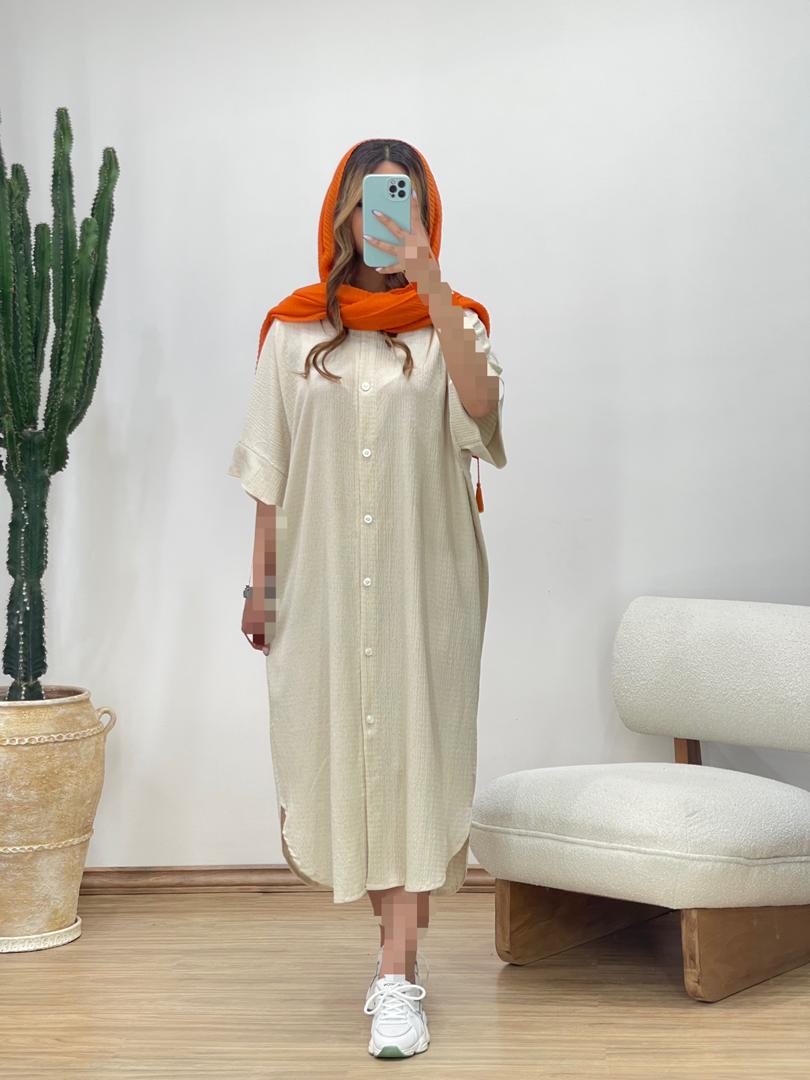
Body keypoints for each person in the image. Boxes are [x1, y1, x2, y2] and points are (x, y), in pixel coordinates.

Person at [227, 138, 506, 1058]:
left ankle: (397, 977)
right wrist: (262, 587)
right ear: (341, 214)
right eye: (371, 202)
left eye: (404, 202)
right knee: (349, 758)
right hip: (324, 592)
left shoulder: (454, 325)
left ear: (425, 213)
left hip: (428, 590)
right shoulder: (292, 334)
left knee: (416, 766)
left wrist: (432, 284)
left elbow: (483, 413)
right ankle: (392, 965)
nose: (384, 218)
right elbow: (269, 477)